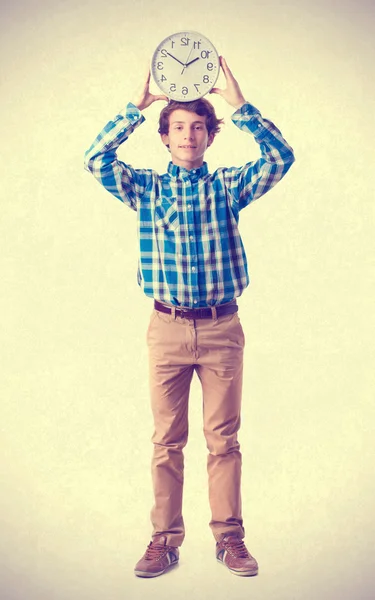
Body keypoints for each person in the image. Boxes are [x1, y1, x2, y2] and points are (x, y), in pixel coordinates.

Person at [84, 56, 295, 578]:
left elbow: (281, 156)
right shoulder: (145, 190)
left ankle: (230, 539)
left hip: (223, 328)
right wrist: (137, 107)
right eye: (178, 127)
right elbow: (95, 157)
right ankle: (164, 540)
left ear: (210, 135)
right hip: (167, 329)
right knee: (166, 442)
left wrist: (237, 104)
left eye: (198, 126)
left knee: (224, 440)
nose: (188, 135)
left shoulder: (228, 186)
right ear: (164, 136)